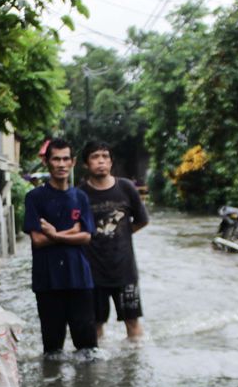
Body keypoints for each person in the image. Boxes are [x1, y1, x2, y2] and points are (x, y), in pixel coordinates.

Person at [22, 138, 97, 356]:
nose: (61, 164)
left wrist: (53, 234)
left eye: (66, 159)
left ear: (73, 162)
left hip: (80, 281)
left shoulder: (81, 197)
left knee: (88, 351)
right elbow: (37, 240)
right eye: (56, 159)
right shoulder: (34, 198)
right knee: (52, 352)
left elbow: (86, 237)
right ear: (47, 162)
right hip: (48, 282)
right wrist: (71, 232)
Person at [78, 141, 149, 339]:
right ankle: (97, 368)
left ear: (110, 162)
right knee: (96, 324)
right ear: (86, 164)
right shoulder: (80, 194)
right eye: (95, 157)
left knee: (132, 322)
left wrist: (123, 234)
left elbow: (142, 220)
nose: (101, 161)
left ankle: (133, 365)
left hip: (125, 271)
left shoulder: (126, 187)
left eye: (105, 156)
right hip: (93, 273)